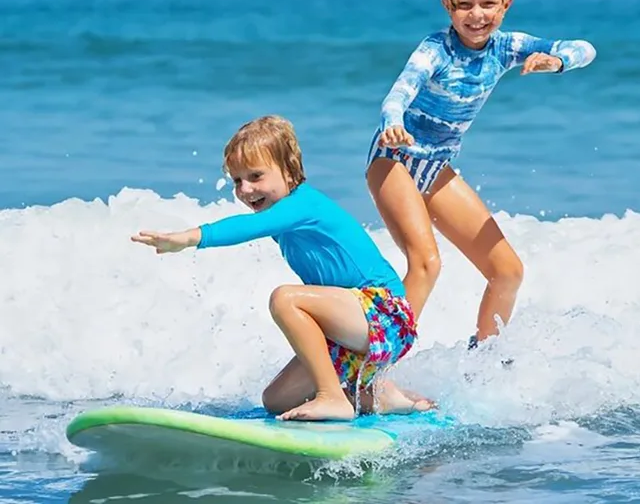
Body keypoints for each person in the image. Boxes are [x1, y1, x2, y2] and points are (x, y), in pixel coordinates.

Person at [366, 0, 595, 352]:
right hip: (393, 160)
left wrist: (556, 61)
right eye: (465, 5)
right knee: (426, 264)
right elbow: (397, 95)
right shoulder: (435, 49)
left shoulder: (506, 47)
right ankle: (371, 366)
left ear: (505, 6)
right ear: (448, 6)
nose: (477, 15)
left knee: (507, 271)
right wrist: (394, 124)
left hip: (435, 168)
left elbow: (585, 49)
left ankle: (482, 366)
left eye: (488, 4)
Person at [131, 115, 432, 421]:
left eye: (256, 176)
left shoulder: (303, 205)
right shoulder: (282, 216)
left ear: (289, 172)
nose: (245, 189)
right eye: (237, 180)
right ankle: (381, 397)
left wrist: (189, 237)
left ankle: (333, 399)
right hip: (351, 326)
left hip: (386, 314)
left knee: (286, 298)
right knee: (277, 399)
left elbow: (250, 226)